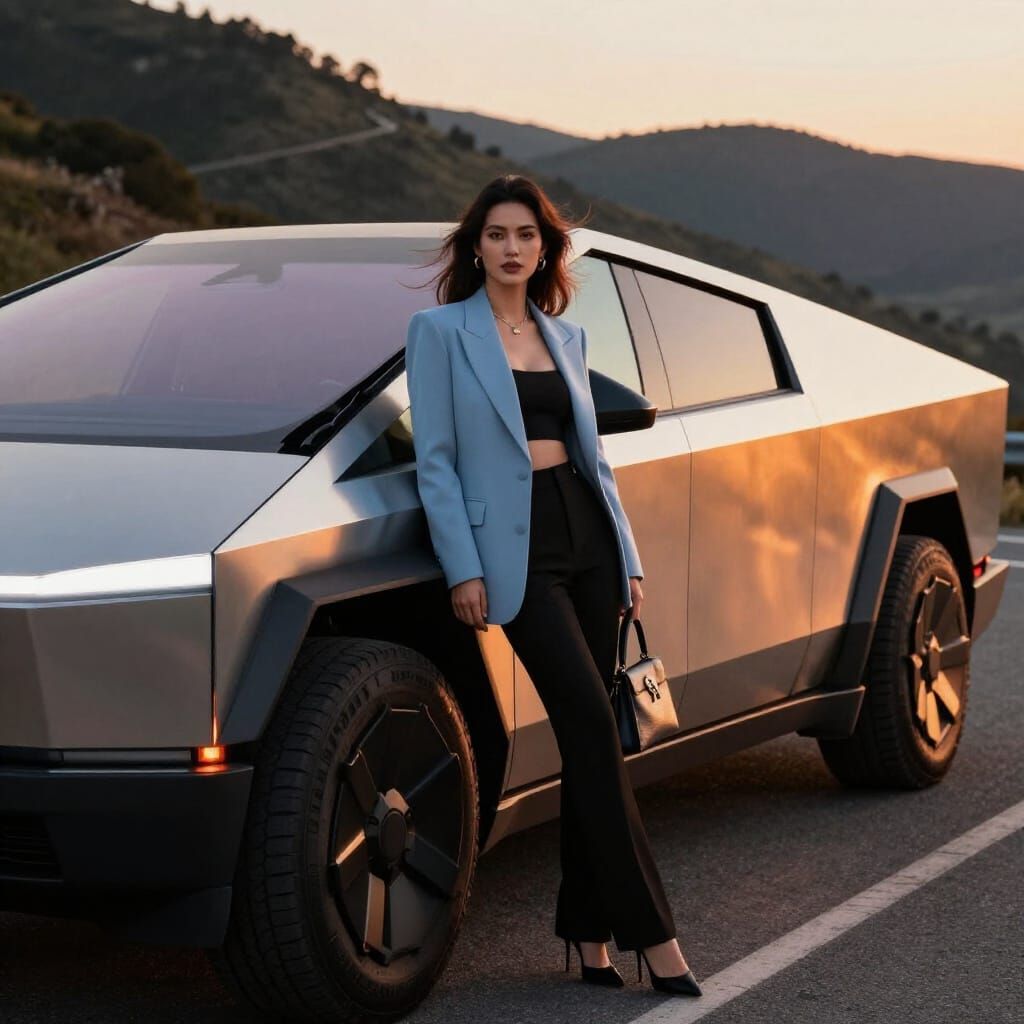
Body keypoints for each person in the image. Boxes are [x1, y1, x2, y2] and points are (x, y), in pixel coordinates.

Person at [405, 174, 701, 997]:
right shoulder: (438, 333)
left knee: (589, 736)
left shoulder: (564, 338)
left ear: (545, 248)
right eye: (497, 234)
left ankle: (589, 933)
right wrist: (462, 566)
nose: (511, 248)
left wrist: (629, 556)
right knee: (587, 721)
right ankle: (656, 933)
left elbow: (596, 460)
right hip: (514, 553)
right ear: (476, 245)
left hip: (588, 533)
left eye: (526, 235)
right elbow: (435, 461)